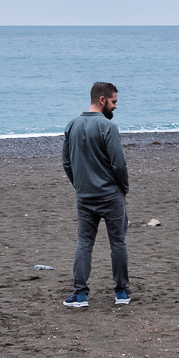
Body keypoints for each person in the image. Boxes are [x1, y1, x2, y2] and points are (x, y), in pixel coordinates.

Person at [62, 82, 129, 308]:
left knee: (84, 243)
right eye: (114, 102)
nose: (115, 107)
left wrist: (79, 185)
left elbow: (67, 163)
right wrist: (123, 188)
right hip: (110, 194)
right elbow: (118, 163)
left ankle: (80, 294)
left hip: (85, 196)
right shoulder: (108, 127)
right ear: (102, 100)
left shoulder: (72, 125)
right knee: (117, 243)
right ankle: (121, 293)